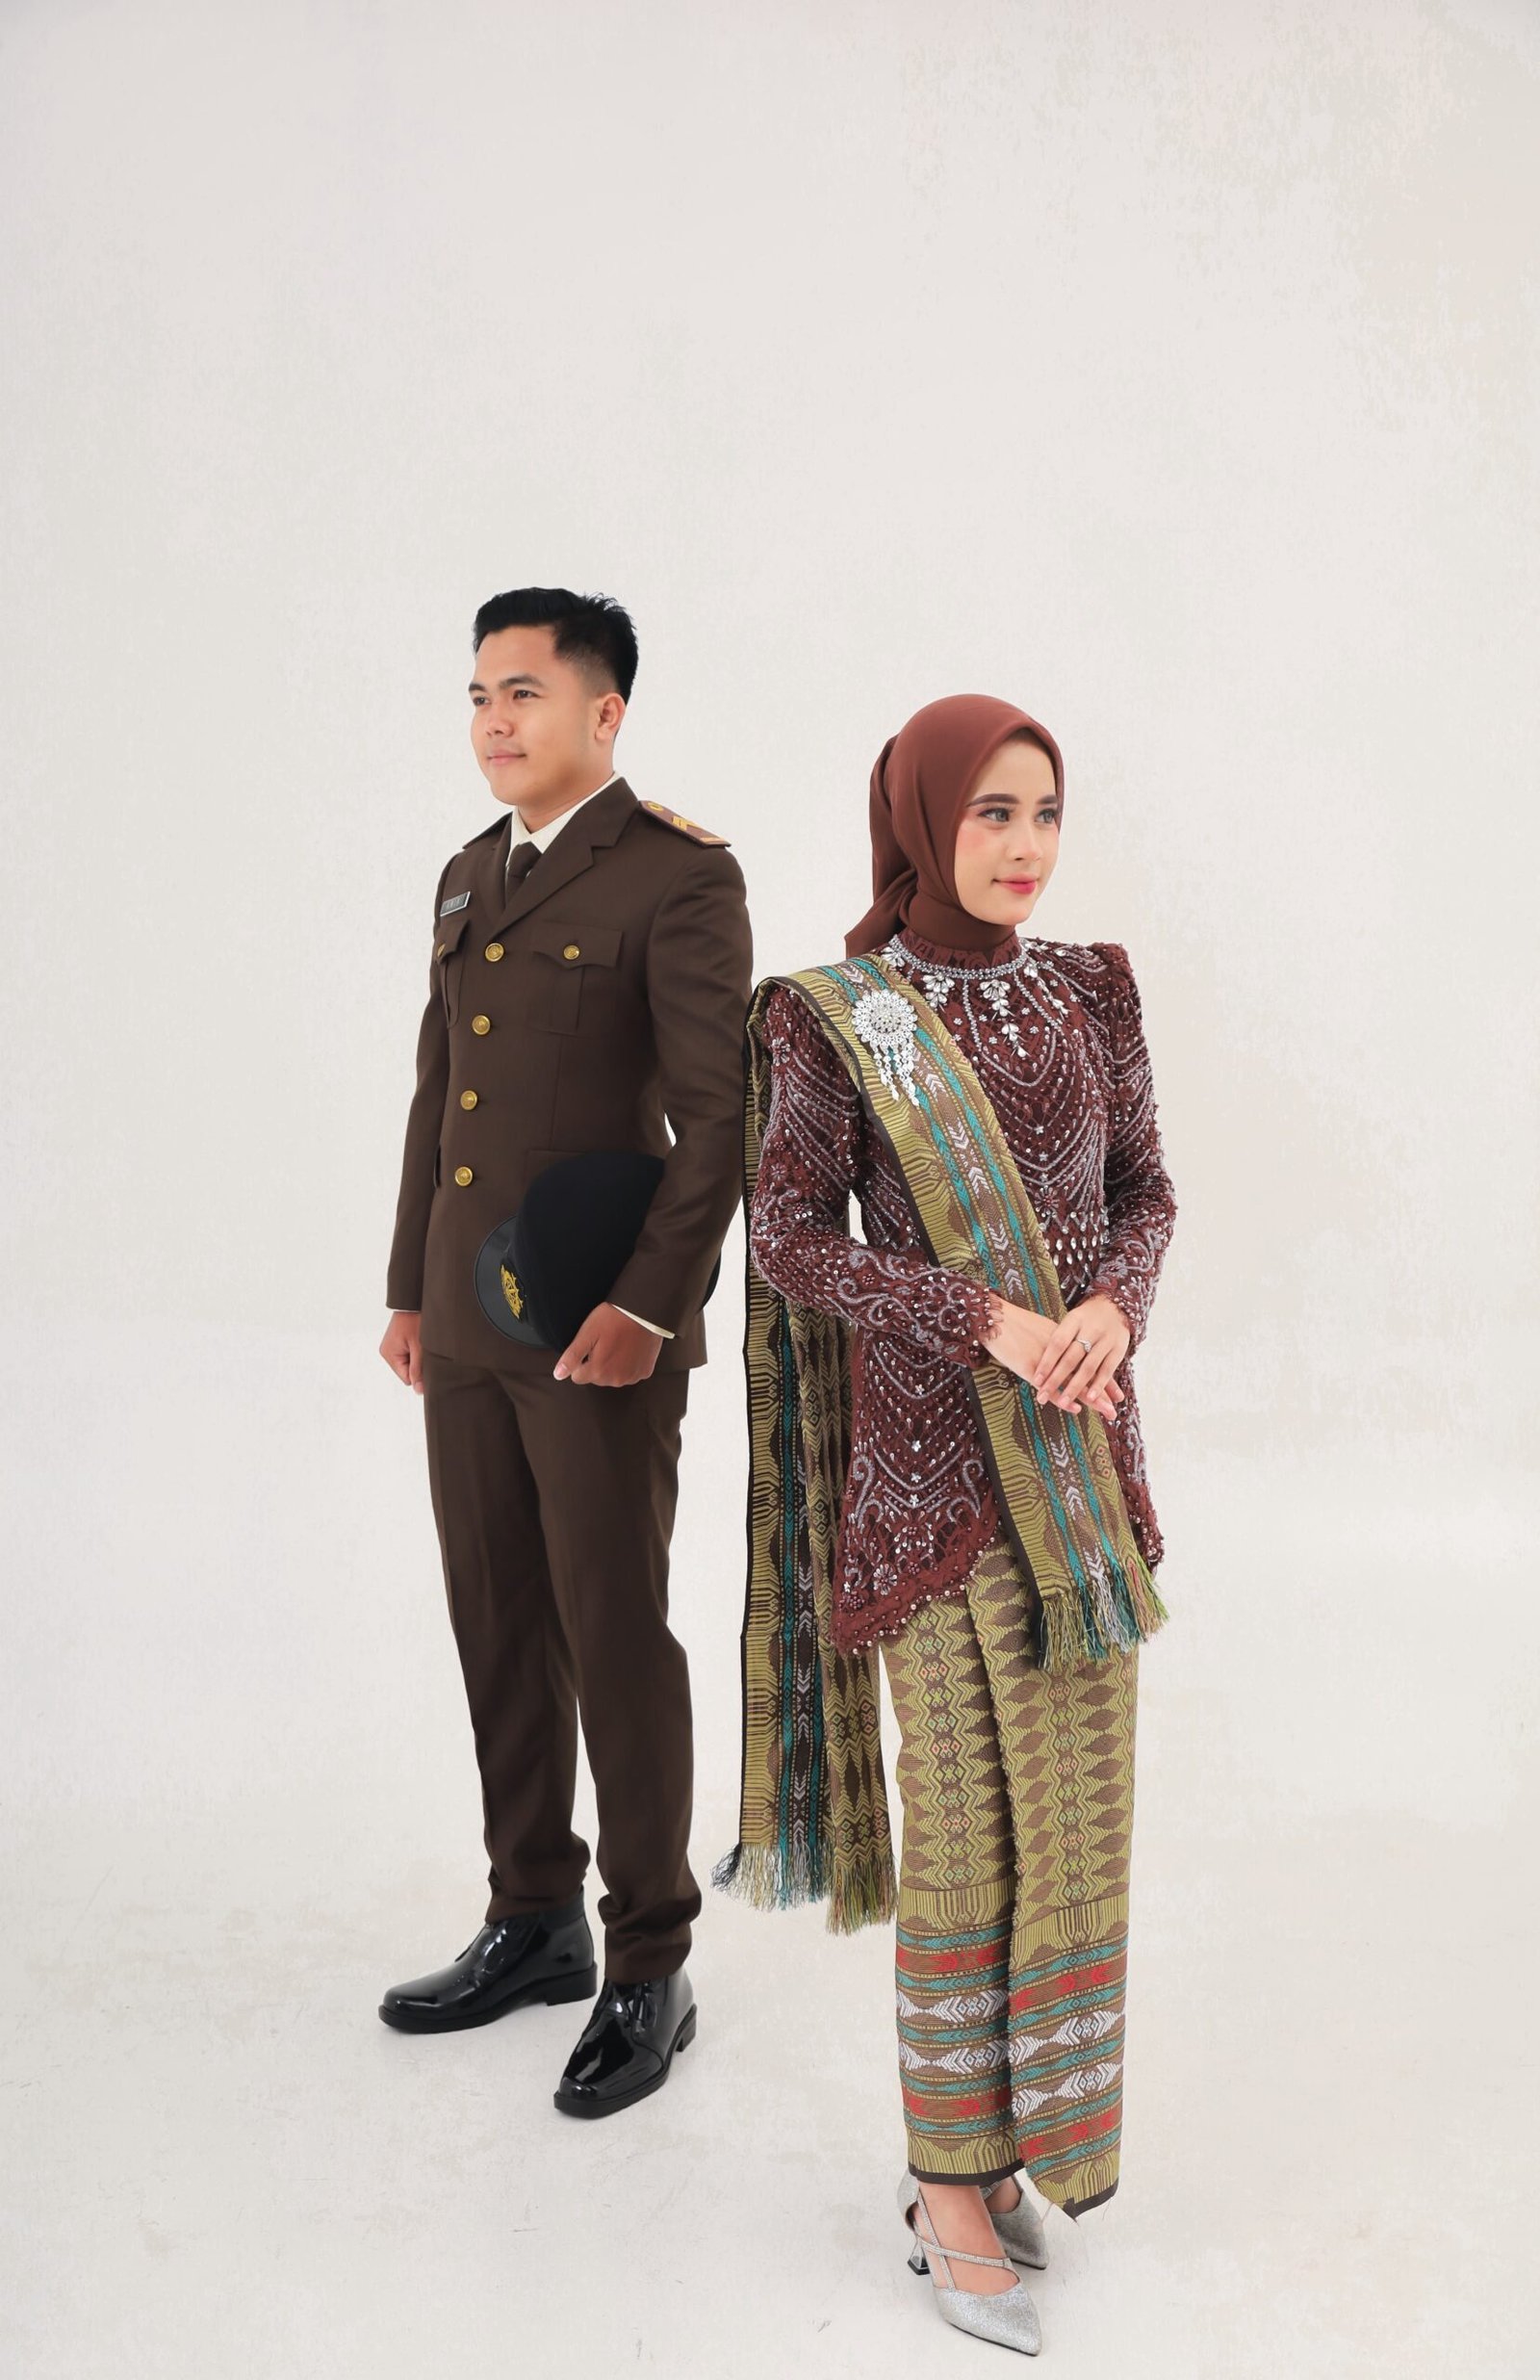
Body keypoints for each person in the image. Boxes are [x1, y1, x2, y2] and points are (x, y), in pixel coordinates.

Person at [716, 694, 1175, 2351]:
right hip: (929, 1491)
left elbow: (1145, 1190)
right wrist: (982, 1319)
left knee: (1076, 1824)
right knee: (968, 1836)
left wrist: (1111, 1311)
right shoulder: (835, 1020)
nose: (1025, 845)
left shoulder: (1093, 989)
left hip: (1083, 1475)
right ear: (920, 822)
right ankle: (950, 2182)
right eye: (990, 813)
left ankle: (1029, 2143)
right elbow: (789, 1239)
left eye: (1044, 812)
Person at [378, 586, 752, 2118]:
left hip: (599, 1326)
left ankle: (650, 1959)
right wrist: (409, 1286)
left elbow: (718, 1121)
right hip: (471, 1322)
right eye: (478, 695)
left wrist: (649, 1307)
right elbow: (439, 1095)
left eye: (523, 693)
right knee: (496, 1617)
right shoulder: (471, 872)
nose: (494, 721)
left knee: (612, 1632)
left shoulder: (677, 875)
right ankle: (532, 1914)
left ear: (605, 713)